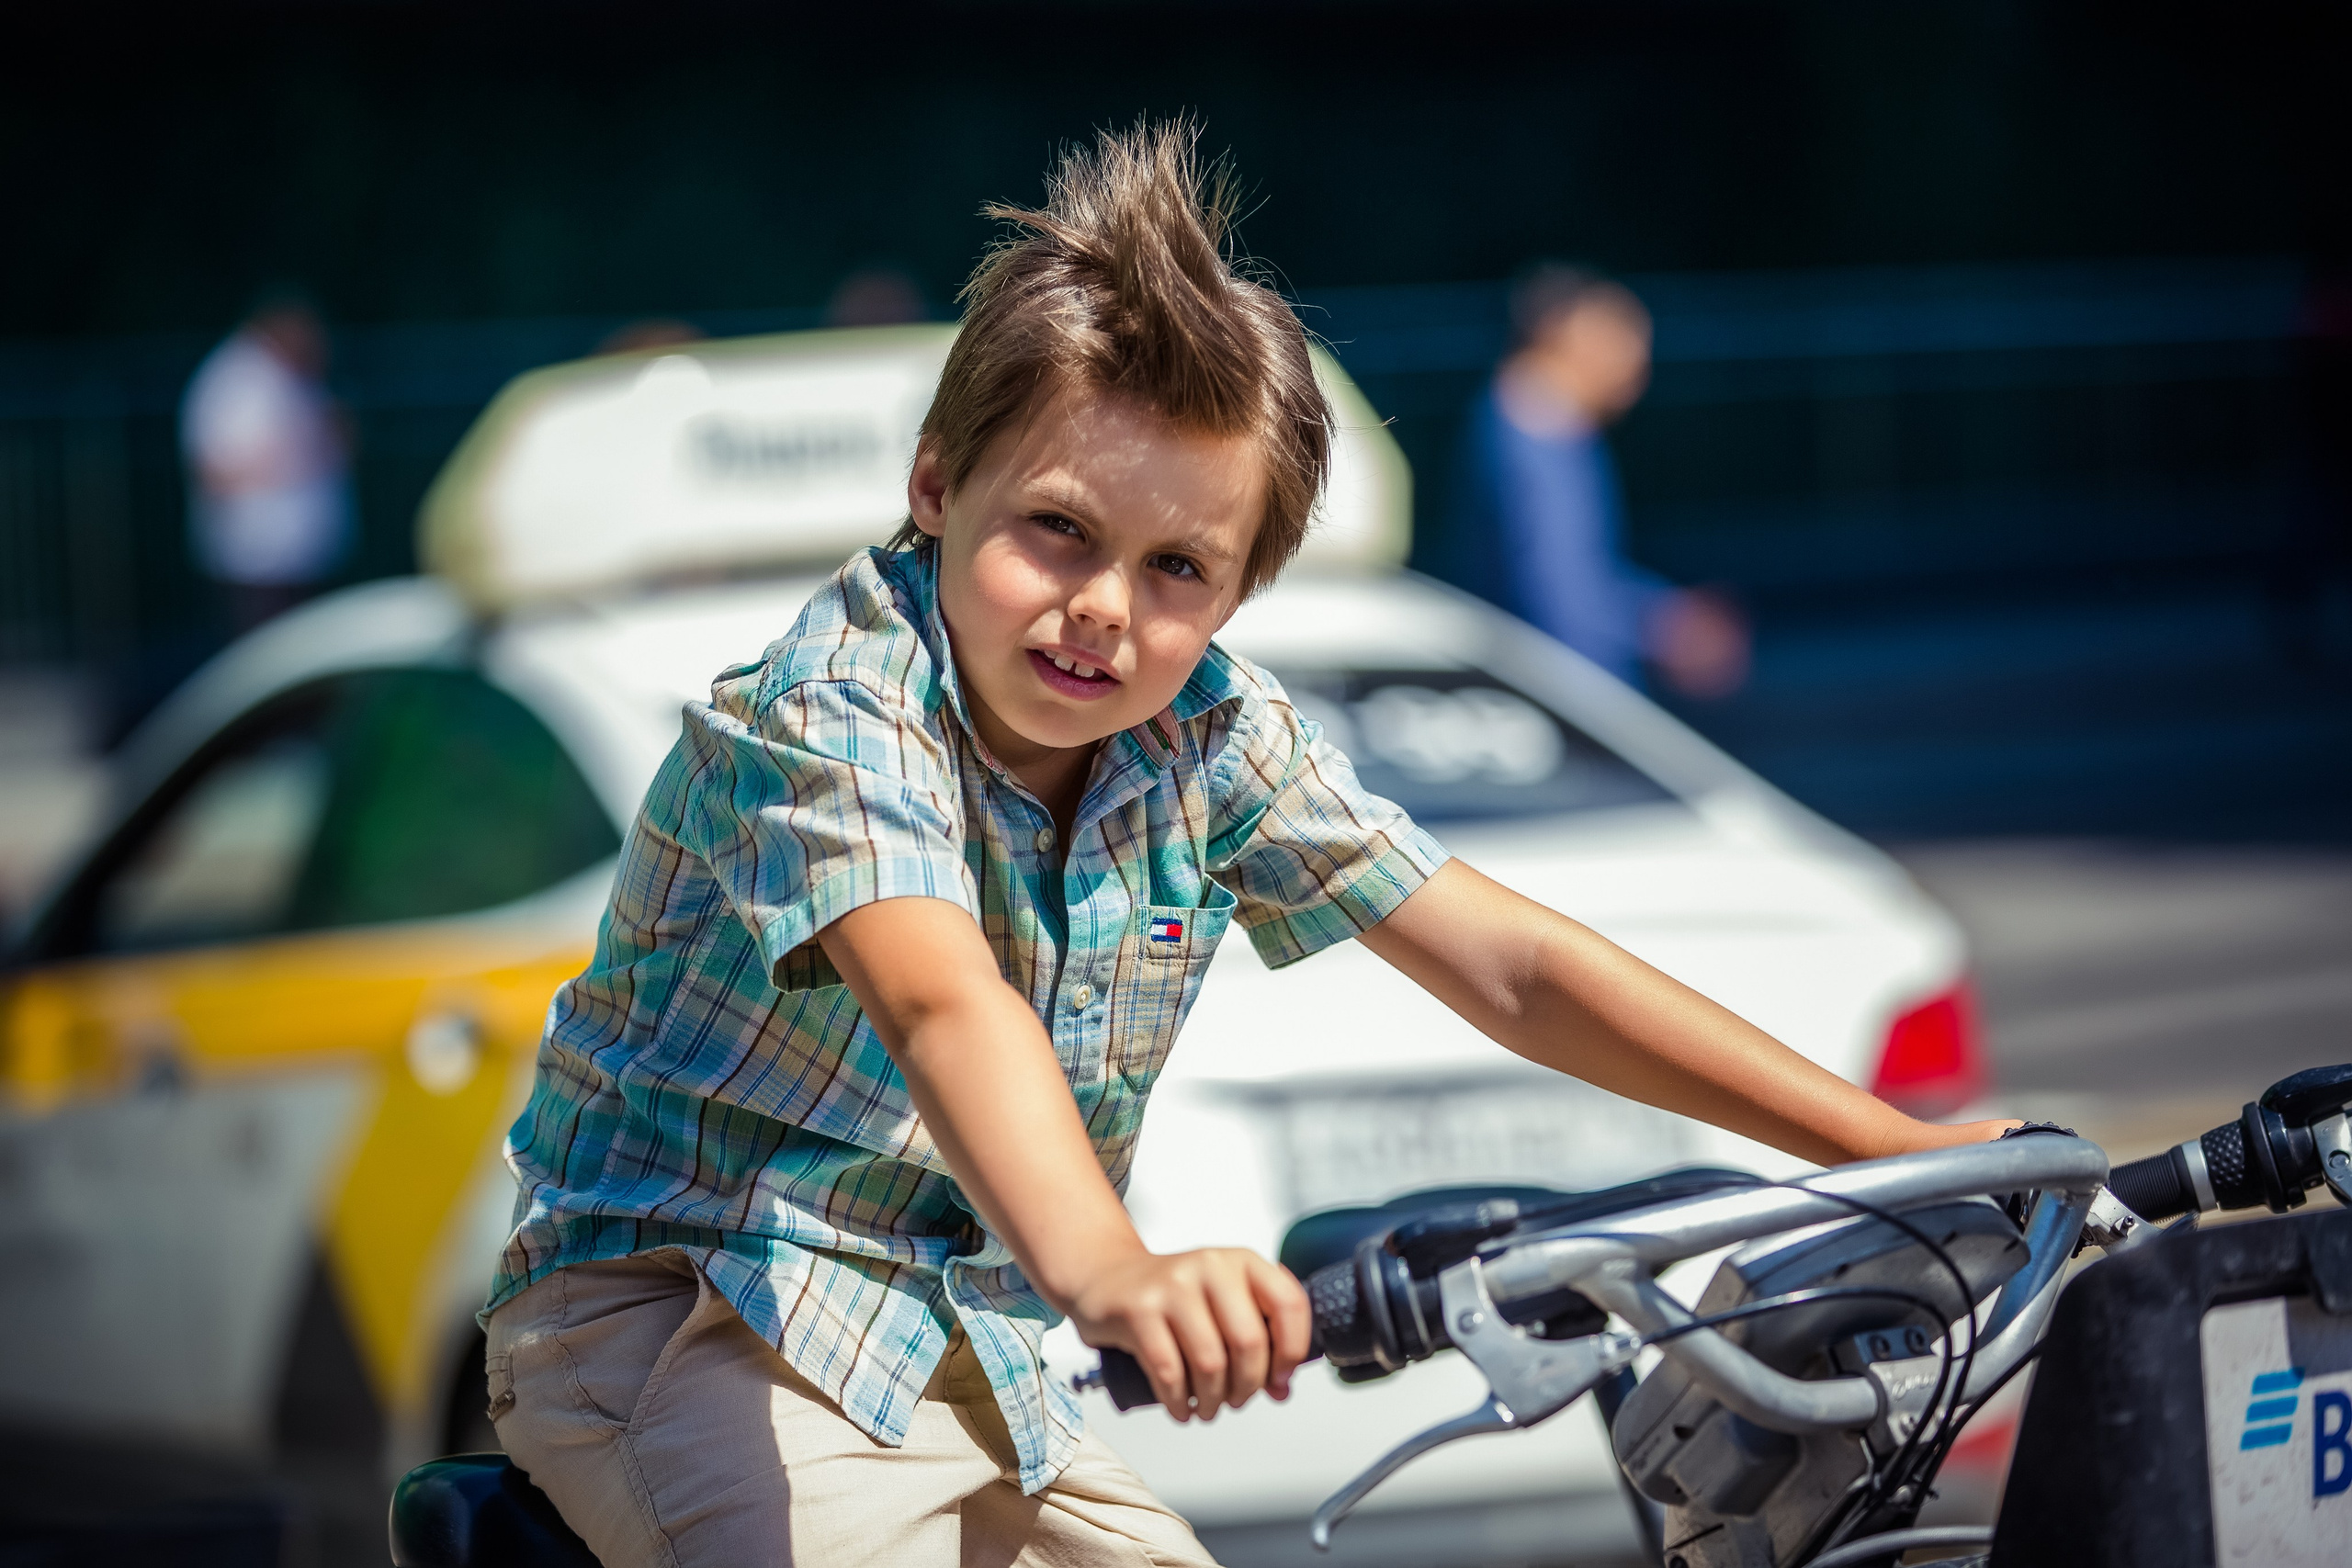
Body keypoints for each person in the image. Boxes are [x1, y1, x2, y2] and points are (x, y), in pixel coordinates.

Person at [481, 123, 2013, 1568]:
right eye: (1058, 531)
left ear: (1237, 590)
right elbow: (943, 999)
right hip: (673, 1318)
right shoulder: (836, 707)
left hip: (959, 1345)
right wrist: (1115, 1272)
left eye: (1178, 570)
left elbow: (1510, 959)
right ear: (939, 485)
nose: (1105, 610)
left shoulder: (1209, 734)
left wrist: (1886, 1148)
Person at [1447, 266, 1748, 697]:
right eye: (1625, 340)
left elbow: (1576, 579)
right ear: (1569, 335)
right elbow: (1557, 598)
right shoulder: (1535, 430)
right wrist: (1666, 630)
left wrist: (1667, 615)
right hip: (1562, 700)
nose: (1637, 366)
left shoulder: (1549, 429)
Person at [178, 296, 353, 631]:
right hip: (258, 555)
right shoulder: (233, 380)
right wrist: (292, 457)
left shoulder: (296, 374)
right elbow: (214, 470)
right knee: (267, 648)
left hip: (298, 554)